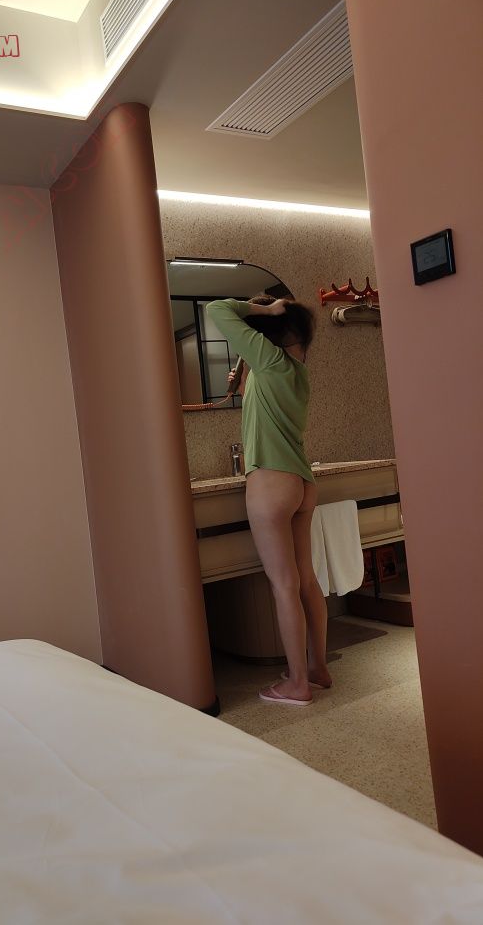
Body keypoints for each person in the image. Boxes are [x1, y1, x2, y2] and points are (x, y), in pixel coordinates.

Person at [207, 295, 331, 706]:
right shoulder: (296, 372)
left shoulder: (270, 361)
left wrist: (262, 309)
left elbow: (216, 309)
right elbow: (257, 400)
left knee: (284, 585)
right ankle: (317, 668)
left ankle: (297, 684)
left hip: (272, 482)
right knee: (305, 579)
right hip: (301, 482)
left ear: (271, 335)